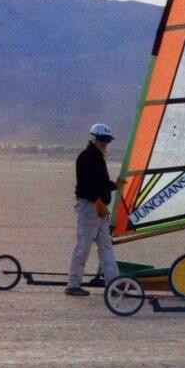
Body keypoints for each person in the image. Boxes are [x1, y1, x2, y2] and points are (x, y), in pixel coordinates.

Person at [65, 123, 126, 296]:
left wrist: (114, 186)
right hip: (90, 208)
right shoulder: (87, 157)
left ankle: (113, 284)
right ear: (94, 138)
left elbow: (100, 183)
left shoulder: (98, 157)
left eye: (107, 140)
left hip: (99, 210)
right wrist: (98, 202)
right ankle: (73, 284)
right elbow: (85, 185)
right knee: (84, 246)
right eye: (102, 139)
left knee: (105, 247)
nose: (105, 143)